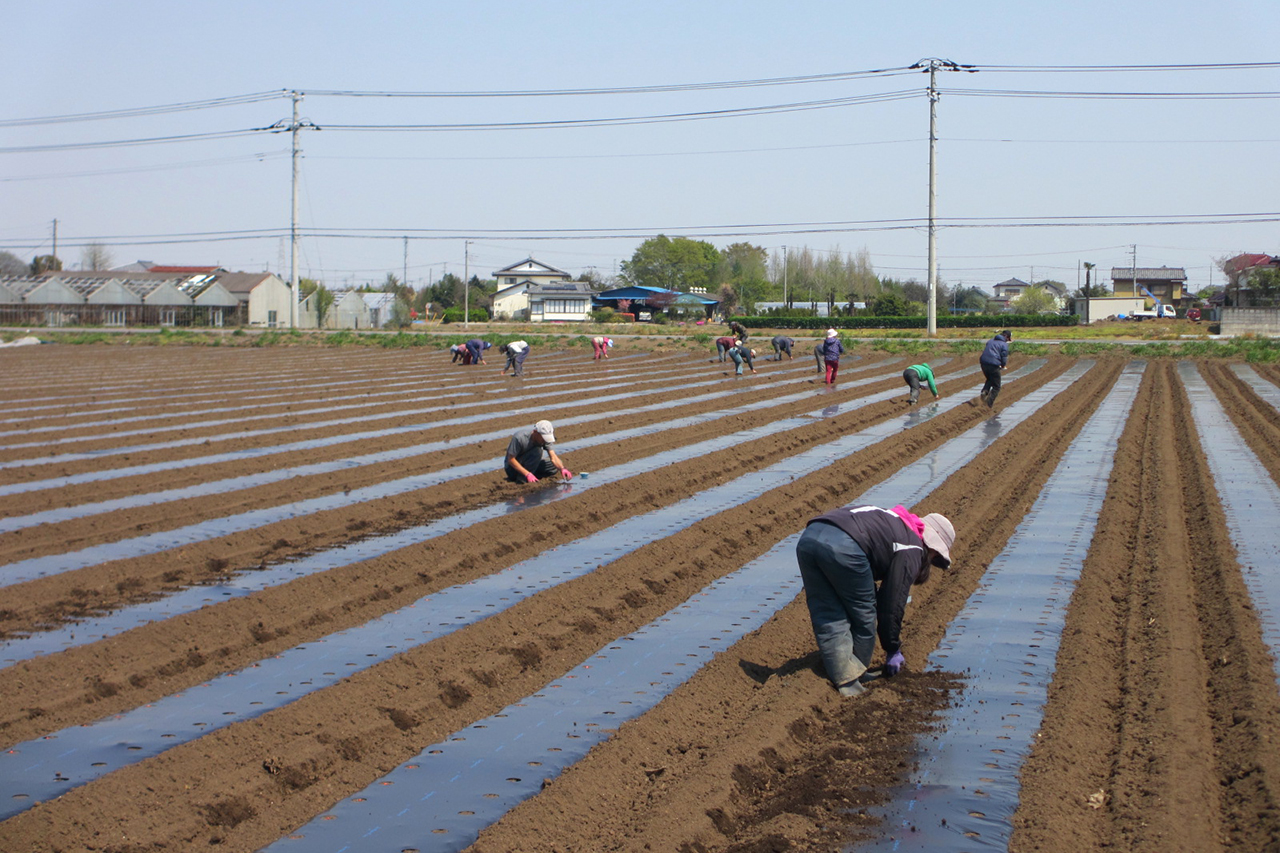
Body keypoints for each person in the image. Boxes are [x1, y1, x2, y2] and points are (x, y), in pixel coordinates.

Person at [795, 503, 955, 697]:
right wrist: (892, 648)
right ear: (933, 547)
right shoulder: (912, 546)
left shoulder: (895, 522)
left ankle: (843, 675)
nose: (931, 560)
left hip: (809, 538)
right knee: (863, 614)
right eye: (935, 556)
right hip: (845, 545)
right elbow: (891, 606)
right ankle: (854, 676)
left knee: (826, 610)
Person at [504, 420, 572, 483]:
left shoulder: (545, 440)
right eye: (543, 437)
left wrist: (562, 468)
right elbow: (511, 460)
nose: (544, 440)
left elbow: (553, 457)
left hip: (529, 464)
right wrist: (527, 474)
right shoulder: (520, 438)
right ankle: (522, 479)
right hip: (512, 468)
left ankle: (532, 475)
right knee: (537, 451)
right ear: (535, 432)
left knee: (553, 466)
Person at [979, 329, 1012, 408]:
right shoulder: (1004, 345)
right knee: (996, 387)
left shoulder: (990, 341)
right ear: (1006, 337)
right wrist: (1003, 365)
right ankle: (988, 405)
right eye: (1008, 339)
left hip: (983, 363)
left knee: (990, 379)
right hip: (993, 364)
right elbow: (1004, 357)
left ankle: (985, 391)